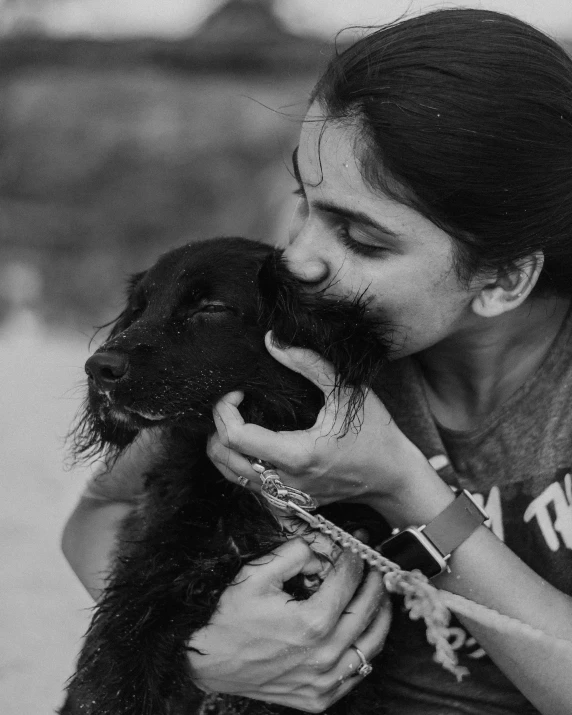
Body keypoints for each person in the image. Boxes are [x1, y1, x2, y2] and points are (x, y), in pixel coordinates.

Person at [61, 8, 572, 715]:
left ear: (506, 277)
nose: (298, 256)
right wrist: (208, 650)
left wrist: (405, 487)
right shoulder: (300, 352)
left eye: (359, 236)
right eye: (304, 200)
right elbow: (95, 516)